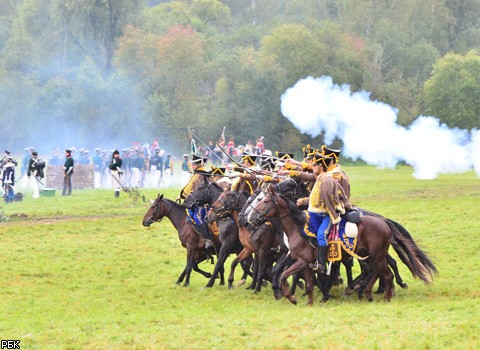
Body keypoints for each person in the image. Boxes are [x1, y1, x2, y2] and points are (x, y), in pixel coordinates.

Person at [296, 152, 351, 273]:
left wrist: (333, 215)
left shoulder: (326, 180)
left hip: (325, 215)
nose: (312, 167)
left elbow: (328, 200)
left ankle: (321, 264)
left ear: (321, 167)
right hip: (314, 214)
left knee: (321, 235)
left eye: (314, 165)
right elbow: (315, 197)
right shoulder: (320, 178)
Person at [178, 154, 211, 246]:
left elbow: (196, 190)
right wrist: (181, 195)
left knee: (198, 217)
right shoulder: (197, 174)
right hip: (195, 200)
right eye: (192, 165)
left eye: (194, 165)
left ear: (199, 165)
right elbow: (189, 187)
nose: (192, 166)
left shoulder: (200, 175)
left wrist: (185, 196)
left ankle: (207, 239)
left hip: (203, 202)